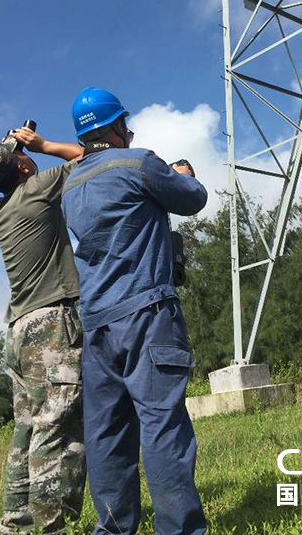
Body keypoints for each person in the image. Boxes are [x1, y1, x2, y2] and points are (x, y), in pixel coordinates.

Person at [61, 87, 208, 535]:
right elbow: (192, 198)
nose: (129, 130)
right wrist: (180, 171)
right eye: (125, 123)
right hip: (146, 314)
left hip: (96, 326)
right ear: (114, 126)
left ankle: (112, 529)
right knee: (162, 424)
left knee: (106, 436)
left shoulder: (71, 185)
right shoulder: (139, 162)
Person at [0, 127, 87, 535]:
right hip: (50, 326)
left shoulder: (0, 211)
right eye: (21, 154)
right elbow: (91, 155)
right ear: (22, 165)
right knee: (56, 428)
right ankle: (52, 527)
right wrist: (42, 145)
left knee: (27, 431)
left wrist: (13, 151)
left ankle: (14, 524)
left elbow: (7, 168)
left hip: (18, 330)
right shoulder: (38, 188)